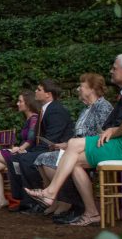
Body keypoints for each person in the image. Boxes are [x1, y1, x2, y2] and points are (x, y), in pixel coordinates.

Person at [27, 44, 122, 227]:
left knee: (73, 145)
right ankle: (90, 212)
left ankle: (51, 193)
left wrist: (113, 132)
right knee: (74, 161)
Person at [35, 73, 112, 220]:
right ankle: (60, 201)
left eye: (81, 86)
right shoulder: (86, 109)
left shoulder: (103, 107)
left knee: (48, 161)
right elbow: (78, 136)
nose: (78, 89)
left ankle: (70, 203)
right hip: (78, 148)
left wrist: (75, 146)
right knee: (43, 158)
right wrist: (63, 145)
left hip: (92, 149)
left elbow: (102, 135)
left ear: (92, 89)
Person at [8, 79, 74, 212]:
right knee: (13, 158)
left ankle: (34, 202)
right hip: (44, 148)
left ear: (48, 94)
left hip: (57, 149)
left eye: (39, 90)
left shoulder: (56, 110)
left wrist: (29, 152)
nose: (35, 92)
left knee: (25, 159)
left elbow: (52, 138)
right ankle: (21, 199)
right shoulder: (46, 110)